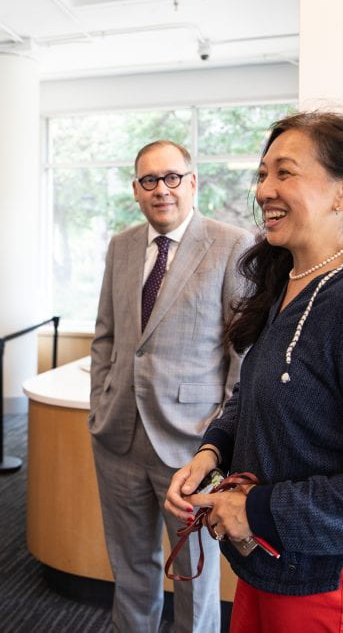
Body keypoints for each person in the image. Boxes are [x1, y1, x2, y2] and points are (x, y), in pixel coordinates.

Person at [164, 112, 343, 632]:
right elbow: (255, 393)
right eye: (261, 174)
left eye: (285, 173)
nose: (264, 190)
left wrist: (258, 511)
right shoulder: (292, 280)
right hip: (271, 569)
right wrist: (211, 452)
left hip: (330, 588)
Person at [89, 139, 252, 632]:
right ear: (137, 191)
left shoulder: (231, 244)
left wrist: (219, 443)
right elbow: (106, 337)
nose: (162, 189)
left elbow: (241, 355)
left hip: (191, 447)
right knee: (130, 567)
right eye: (149, 180)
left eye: (172, 177)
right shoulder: (121, 245)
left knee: (193, 573)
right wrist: (99, 406)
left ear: (192, 182)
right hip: (117, 437)